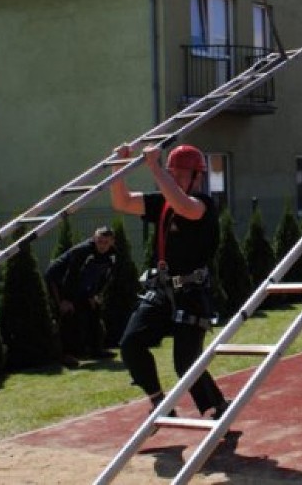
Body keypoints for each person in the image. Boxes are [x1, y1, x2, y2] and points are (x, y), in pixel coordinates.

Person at [110, 143, 228, 418]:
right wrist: (118, 167)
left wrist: (155, 166)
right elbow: (122, 202)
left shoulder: (204, 205)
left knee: (185, 362)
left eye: (179, 174)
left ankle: (216, 406)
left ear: (198, 176)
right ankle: (158, 401)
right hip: (162, 289)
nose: (173, 178)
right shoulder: (163, 202)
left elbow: (184, 207)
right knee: (131, 343)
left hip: (192, 291)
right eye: (171, 172)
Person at [45, 226, 118, 368]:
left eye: (105, 242)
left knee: (94, 308)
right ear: (94, 239)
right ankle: (66, 354)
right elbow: (70, 275)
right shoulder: (83, 251)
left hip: (80, 283)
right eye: (99, 241)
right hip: (58, 281)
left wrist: (93, 294)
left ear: (112, 242)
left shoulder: (113, 254)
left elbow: (105, 276)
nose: (102, 245)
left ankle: (95, 349)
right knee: (68, 313)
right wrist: (65, 300)